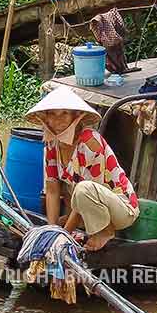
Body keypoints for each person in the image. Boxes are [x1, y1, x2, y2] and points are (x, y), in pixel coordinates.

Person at [24, 87, 140, 251]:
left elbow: (86, 195)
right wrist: (53, 230)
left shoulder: (89, 142)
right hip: (88, 209)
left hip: (120, 209)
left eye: (64, 113)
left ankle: (105, 232)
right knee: (57, 223)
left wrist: (63, 235)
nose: (58, 120)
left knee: (82, 189)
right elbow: (52, 190)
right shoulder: (51, 145)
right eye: (52, 114)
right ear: (46, 118)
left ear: (75, 116)